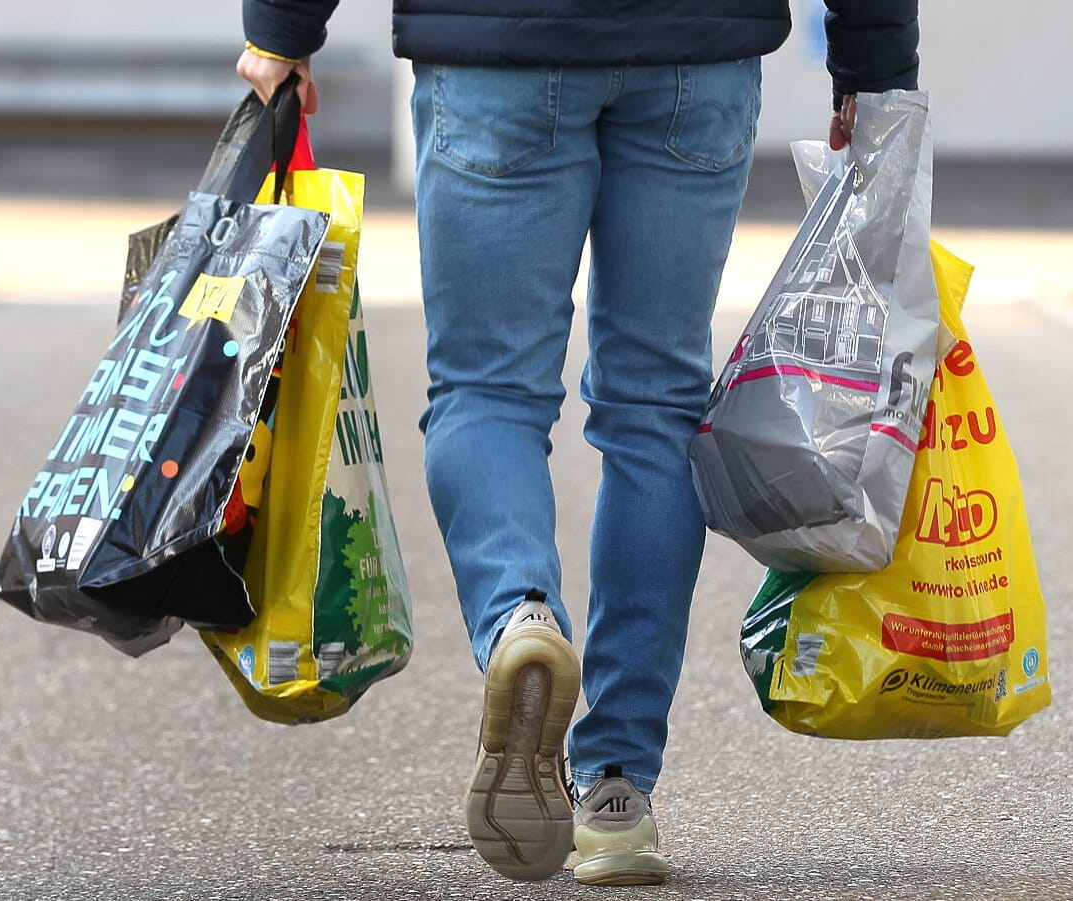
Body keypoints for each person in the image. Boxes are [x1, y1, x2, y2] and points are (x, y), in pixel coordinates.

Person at [237, 0, 919, 886]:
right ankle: (618, 790)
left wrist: (280, 28)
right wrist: (874, 67)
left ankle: (521, 617)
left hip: (497, 48)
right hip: (694, 57)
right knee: (657, 412)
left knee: (487, 393)